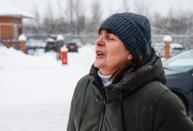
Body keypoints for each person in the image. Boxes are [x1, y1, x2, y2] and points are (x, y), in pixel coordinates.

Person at [67, 12, 193, 131]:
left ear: (131, 53)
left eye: (109, 38)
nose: (98, 41)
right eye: (100, 35)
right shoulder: (84, 87)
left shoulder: (160, 99)